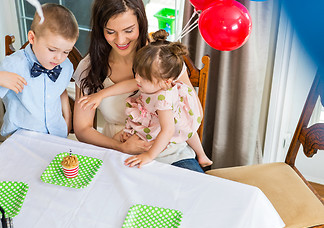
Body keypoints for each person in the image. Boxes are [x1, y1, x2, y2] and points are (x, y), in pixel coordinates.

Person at [73, 0, 205, 172]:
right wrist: (119, 146)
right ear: (101, 30)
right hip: (117, 153)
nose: (120, 40)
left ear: (141, 23)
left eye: (129, 30)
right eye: (110, 32)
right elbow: (82, 129)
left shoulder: (162, 59)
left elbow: (194, 112)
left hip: (171, 155)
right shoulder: (90, 67)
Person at [0, 3, 79, 138]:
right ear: (32, 38)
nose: (58, 58)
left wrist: (68, 117)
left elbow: (60, 90)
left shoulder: (66, 66)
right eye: (52, 50)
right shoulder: (13, 65)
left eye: (66, 51)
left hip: (57, 134)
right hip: (21, 137)